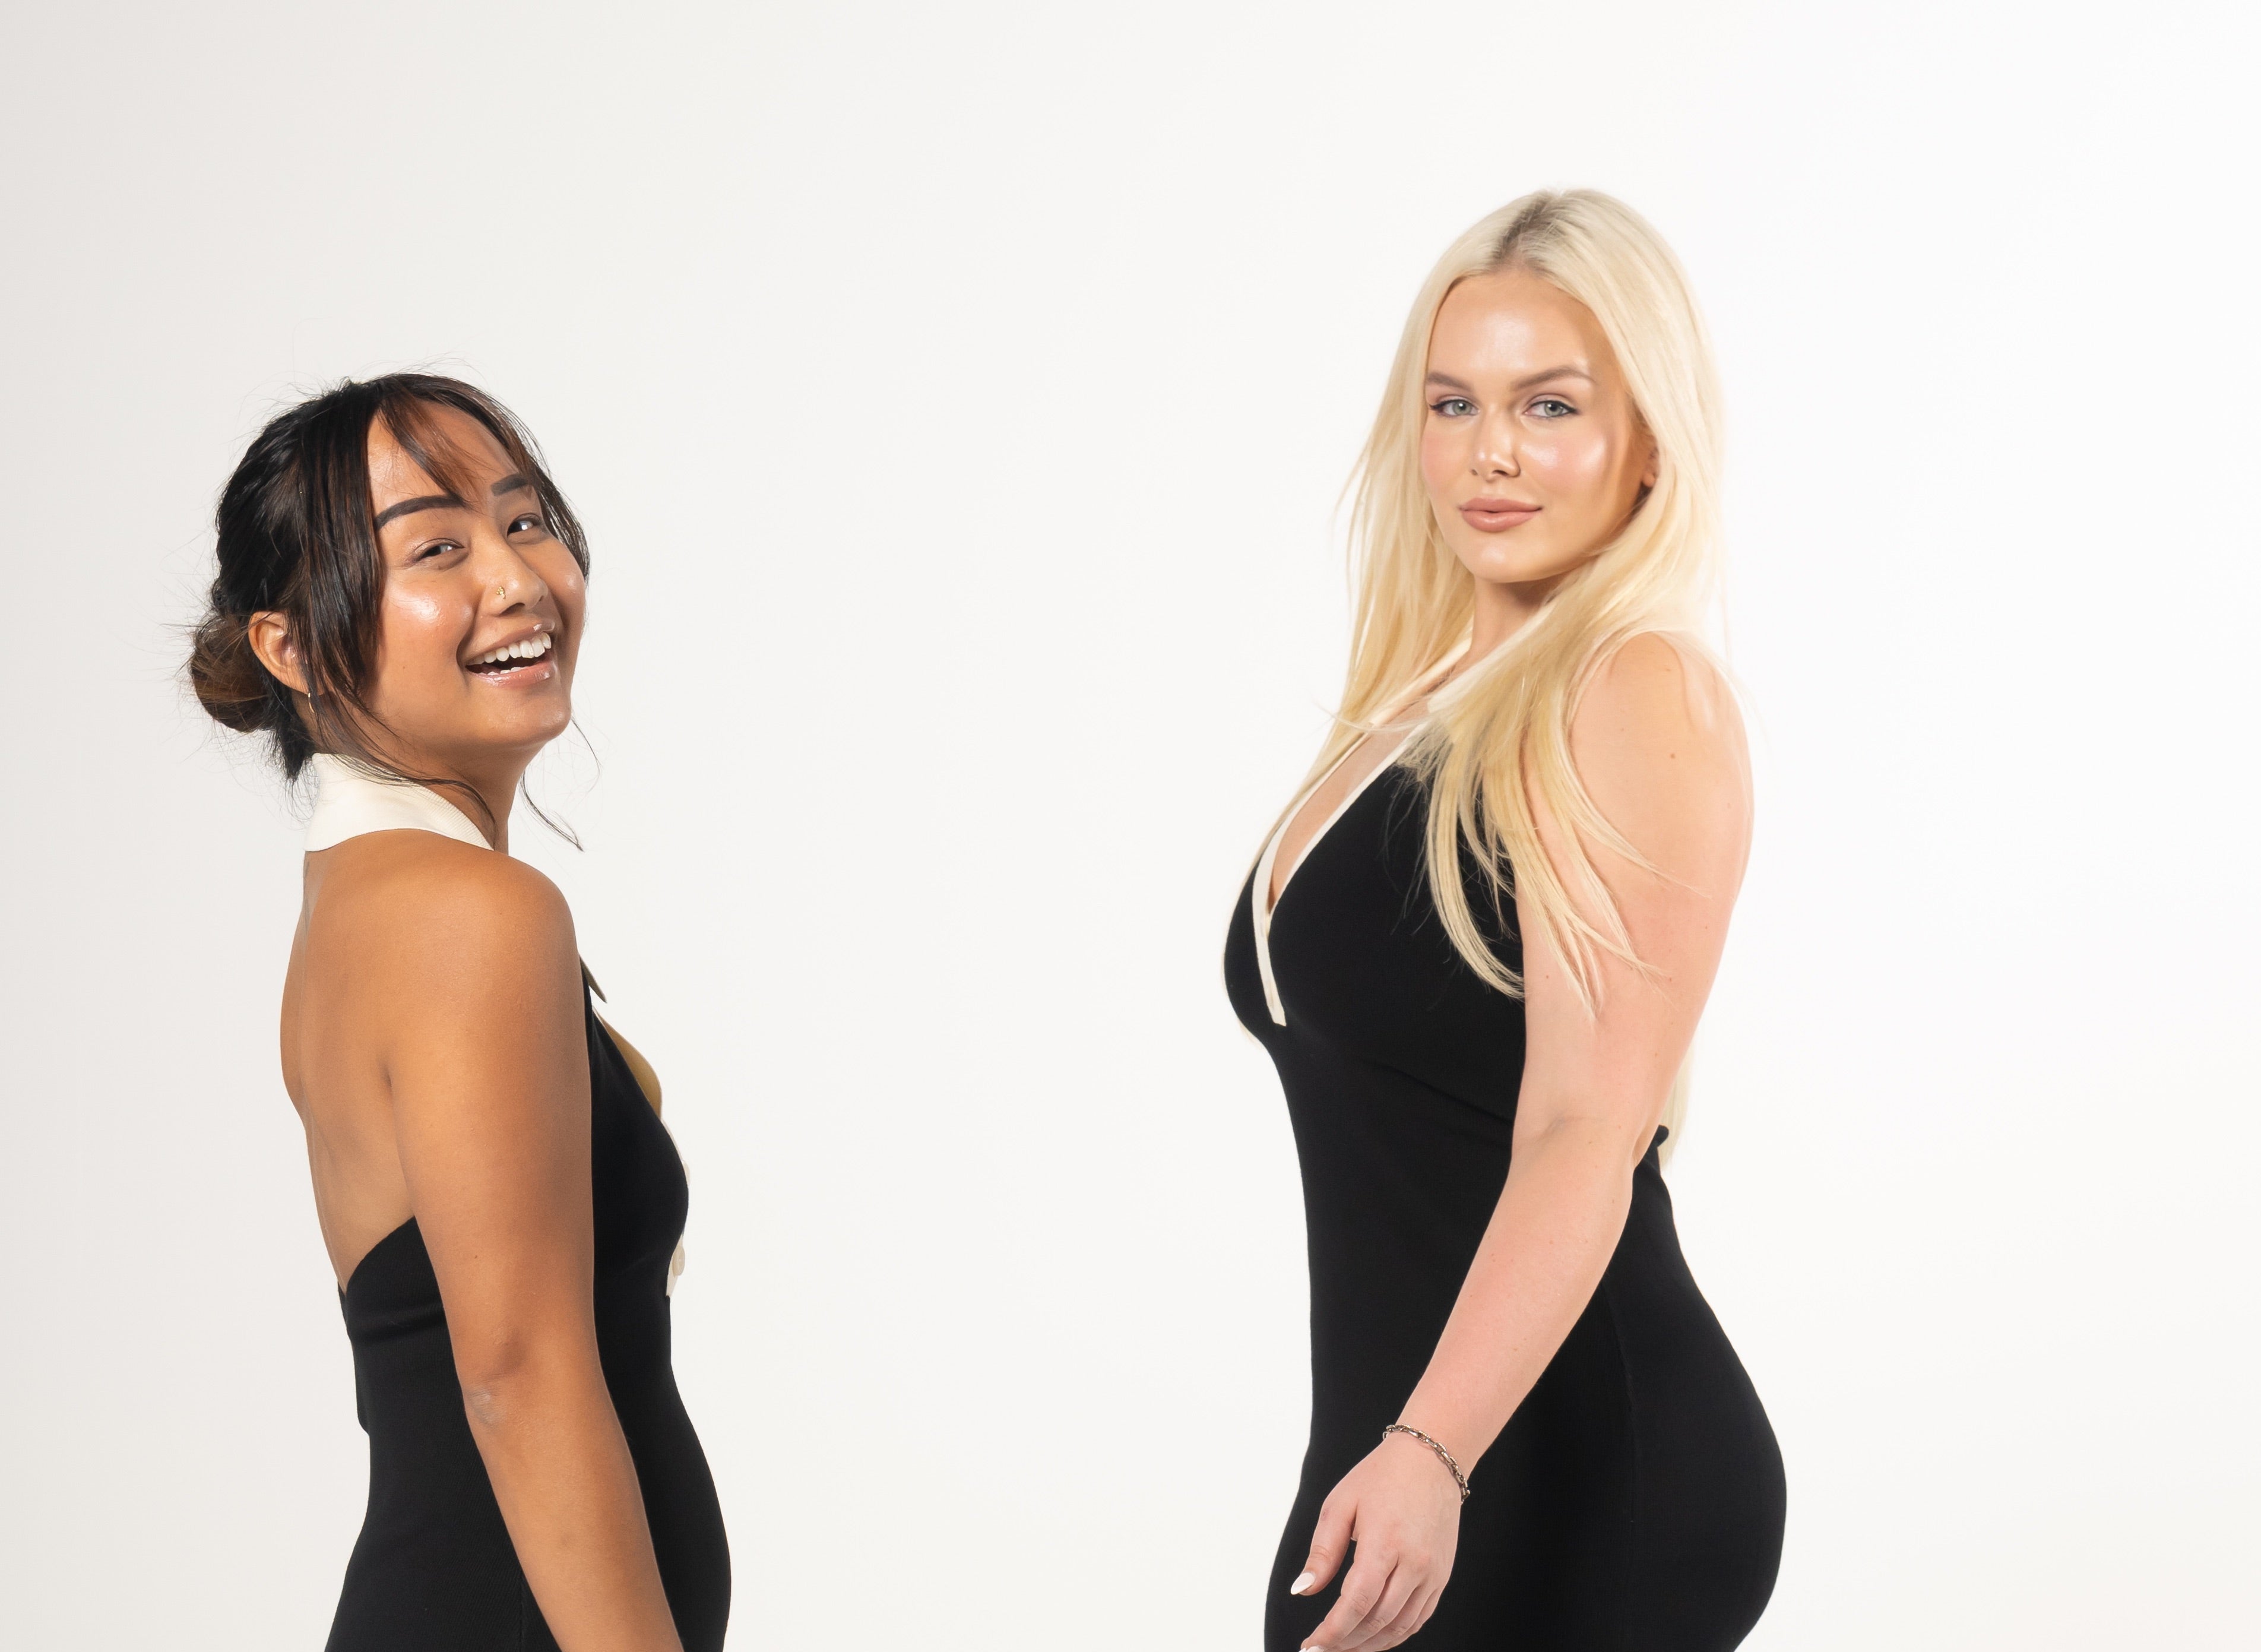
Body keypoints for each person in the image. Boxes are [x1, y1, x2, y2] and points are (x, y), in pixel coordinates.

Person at [1224, 191, 1785, 1651]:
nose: (1490, 451)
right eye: (1452, 402)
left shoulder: (1633, 688)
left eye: (1549, 405)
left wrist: (1430, 1450)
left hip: (1559, 1453)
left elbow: (1583, 1124)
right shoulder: (1417, 706)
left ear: (1646, 438)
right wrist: (1402, 1445)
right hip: (1407, 1434)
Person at [188, 375, 729, 1651]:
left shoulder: (363, 901)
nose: (517, 577)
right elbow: (516, 1376)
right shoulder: (469, 913)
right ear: (290, 647)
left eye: (525, 521)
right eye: (436, 548)